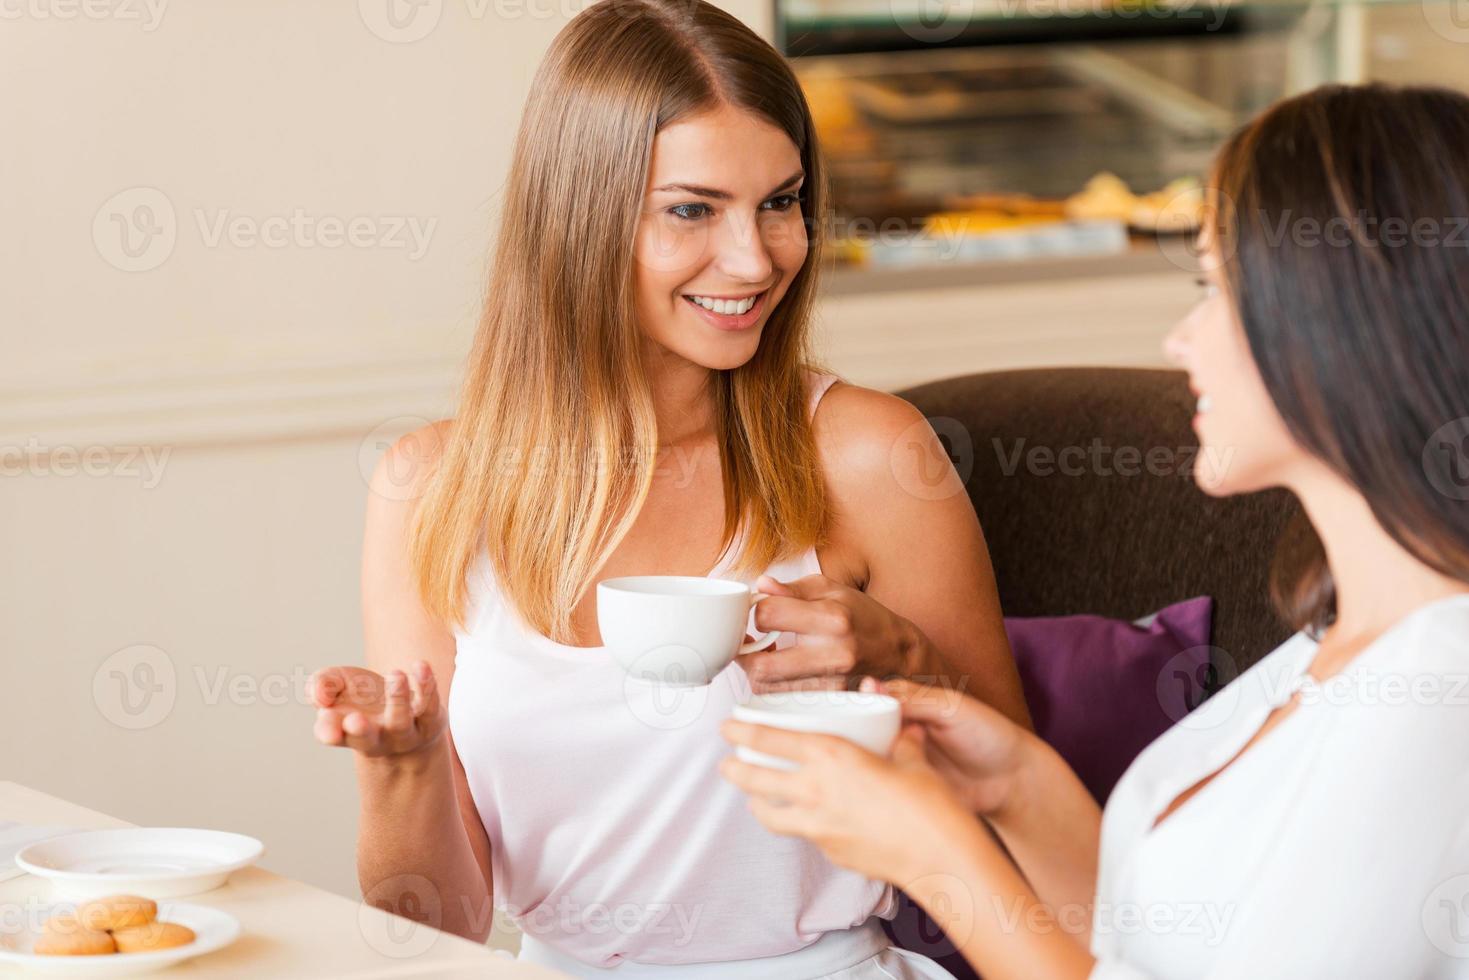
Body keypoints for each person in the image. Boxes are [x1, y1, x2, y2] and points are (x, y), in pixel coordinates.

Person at [308, 0, 1029, 976]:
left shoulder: (868, 454)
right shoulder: (429, 489)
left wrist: (904, 661)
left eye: (779, 201)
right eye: (692, 209)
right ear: (577, 219)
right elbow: (438, 920)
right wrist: (400, 766)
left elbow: (1019, 821)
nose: (755, 257)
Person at [721, 82, 1469, 979]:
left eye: (1215, 288)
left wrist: (933, 857)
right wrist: (1012, 787)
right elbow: (1155, 943)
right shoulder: (1334, 643)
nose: (1177, 341)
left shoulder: (1433, 701)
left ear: (1348, 322)